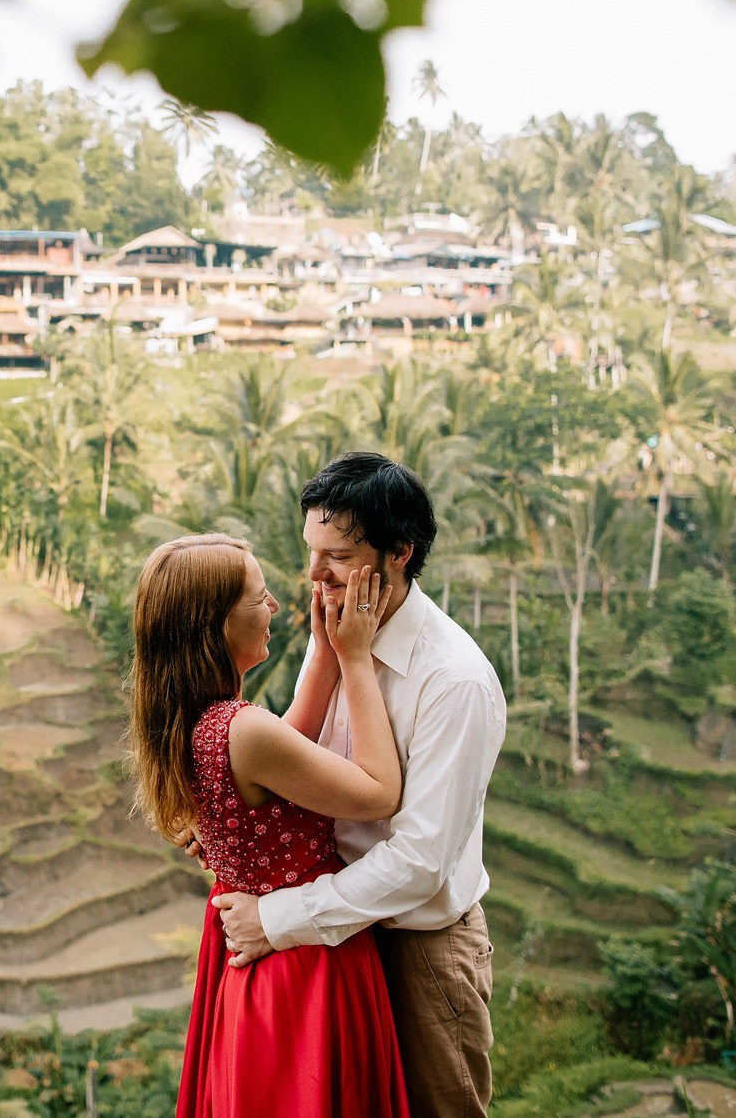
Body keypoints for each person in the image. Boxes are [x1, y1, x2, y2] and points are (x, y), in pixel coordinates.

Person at [211, 452, 507, 1118]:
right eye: (311, 552)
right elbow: (300, 764)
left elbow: (420, 863)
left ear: (400, 552)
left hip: (416, 952)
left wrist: (277, 921)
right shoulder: (334, 629)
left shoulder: (452, 681)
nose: (313, 575)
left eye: (338, 556)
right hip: (331, 941)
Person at [129, 532, 409, 1118]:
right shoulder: (244, 731)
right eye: (260, 599)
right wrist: (355, 658)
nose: (276, 608)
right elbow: (379, 793)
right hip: (303, 965)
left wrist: (326, 647)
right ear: (217, 623)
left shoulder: (197, 721)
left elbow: (293, 745)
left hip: (254, 966)